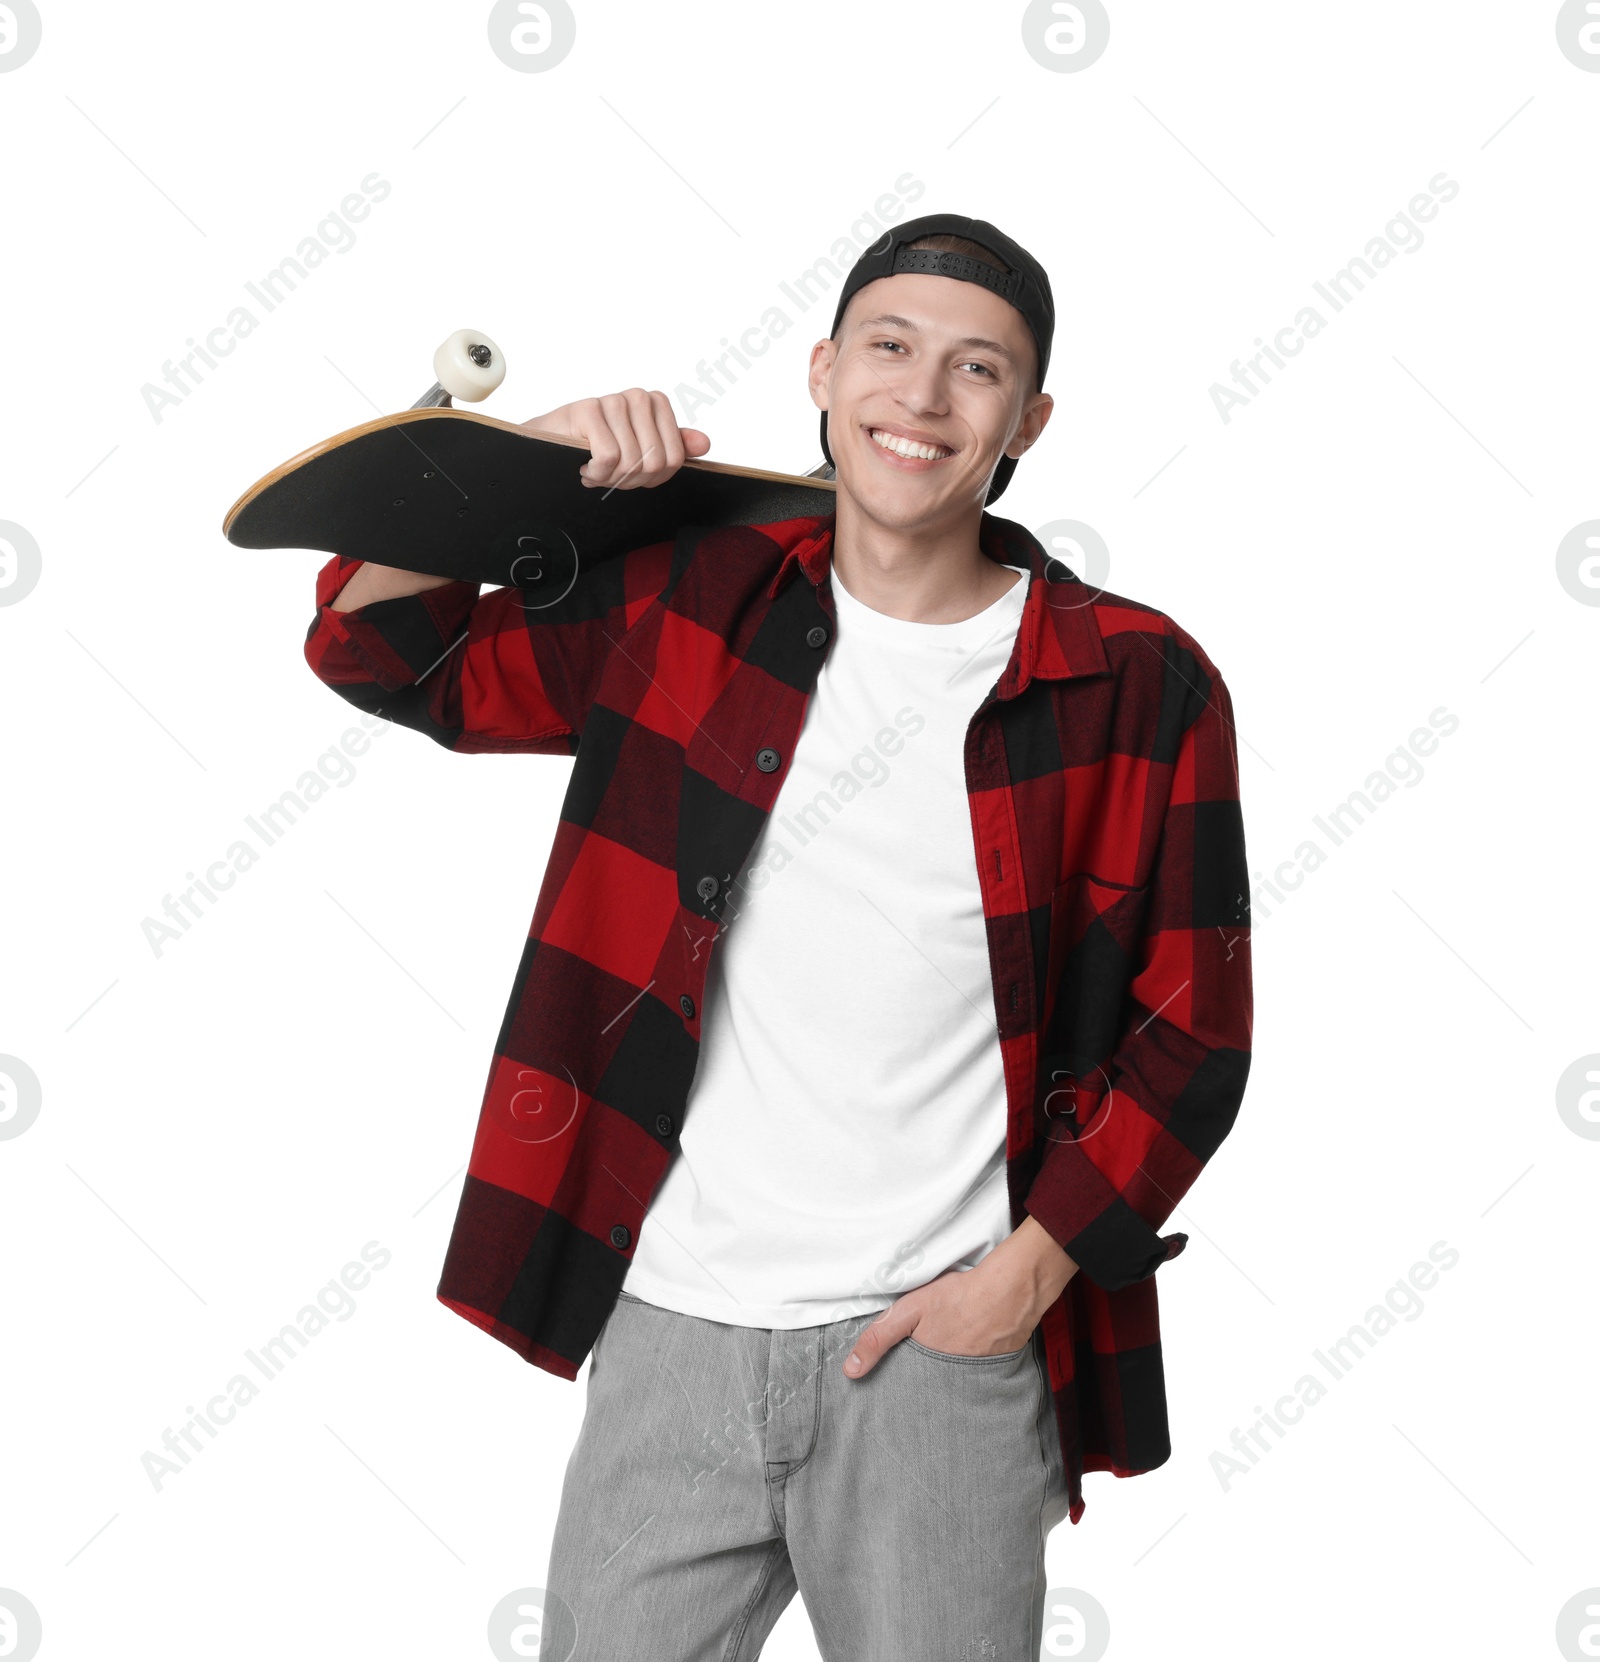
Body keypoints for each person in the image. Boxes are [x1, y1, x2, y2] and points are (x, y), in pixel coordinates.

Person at [304, 213, 1253, 1659]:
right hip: (674, 1331)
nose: (922, 400)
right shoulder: (691, 600)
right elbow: (389, 651)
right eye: (888, 348)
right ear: (822, 371)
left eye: (976, 368)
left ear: (1030, 420)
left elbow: (1196, 1033)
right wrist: (520, 477)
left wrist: (1023, 1282)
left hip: (943, 1357)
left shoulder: (1136, 682)